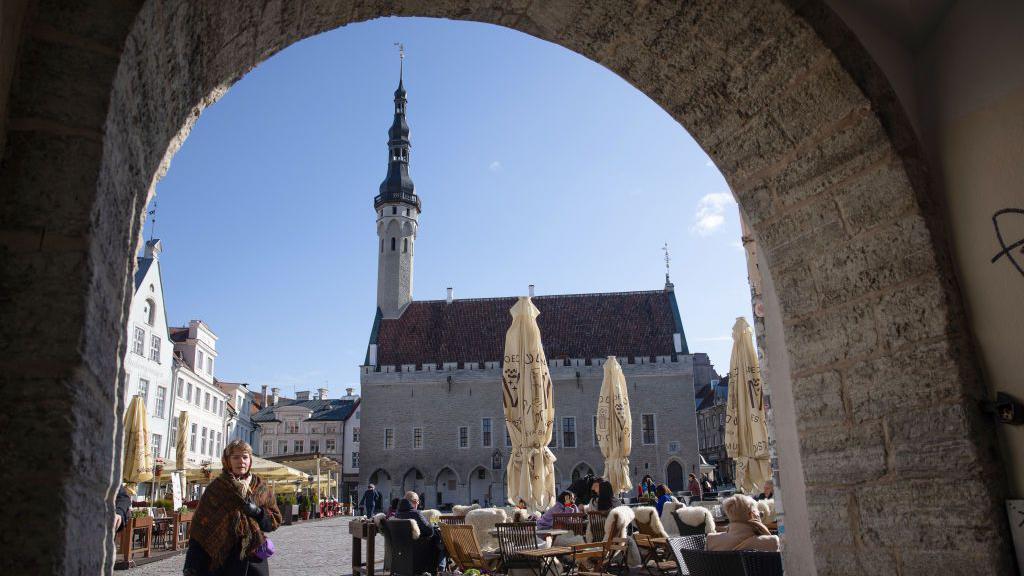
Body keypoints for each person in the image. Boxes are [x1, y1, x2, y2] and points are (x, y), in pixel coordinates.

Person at [183, 440, 283, 576]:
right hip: (224, 559)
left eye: (245, 457)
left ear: (250, 460)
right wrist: (191, 565)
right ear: (227, 460)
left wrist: (259, 513)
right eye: (235, 457)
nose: (241, 461)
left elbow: (274, 521)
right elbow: (199, 528)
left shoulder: (261, 487)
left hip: (254, 559)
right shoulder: (216, 488)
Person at [706, 495, 779, 552]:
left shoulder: (711, 541)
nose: (760, 513)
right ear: (752, 515)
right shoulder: (771, 542)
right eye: (757, 510)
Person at [395, 491, 445, 572]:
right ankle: (441, 568)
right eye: (418, 502)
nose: (418, 504)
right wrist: (434, 526)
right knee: (441, 541)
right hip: (421, 548)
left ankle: (441, 567)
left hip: (404, 549)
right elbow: (429, 531)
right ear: (415, 502)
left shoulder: (397, 514)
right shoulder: (416, 514)